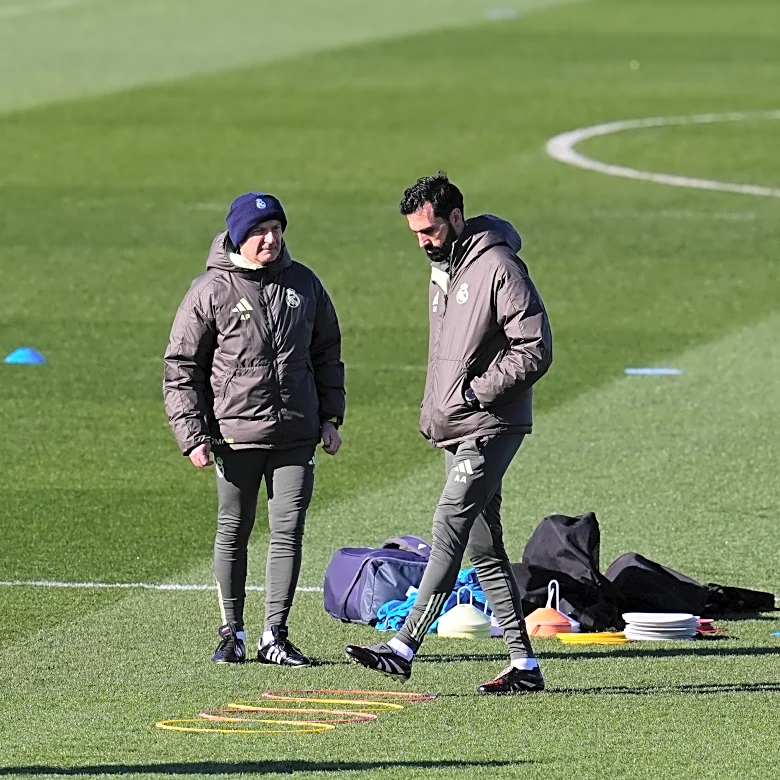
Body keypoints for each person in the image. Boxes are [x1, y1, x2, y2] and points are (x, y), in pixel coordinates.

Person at [345, 173, 552, 694]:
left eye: (431, 229)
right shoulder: (444, 271)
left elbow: (535, 347)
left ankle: (404, 646)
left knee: (448, 526)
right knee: (483, 548)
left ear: (457, 218)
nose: (424, 241)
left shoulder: (499, 267)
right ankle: (524, 666)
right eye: (416, 233)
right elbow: (445, 357)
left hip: (491, 425)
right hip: (456, 428)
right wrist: (434, 411)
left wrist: (475, 395)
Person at [164, 192, 345, 666]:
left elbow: (327, 353)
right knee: (233, 531)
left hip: (297, 433)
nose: (271, 239)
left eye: (277, 229)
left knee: (288, 531)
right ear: (239, 236)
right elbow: (182, 367)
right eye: (260, 232)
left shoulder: (304, 283)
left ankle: (275, 635)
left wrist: (331, 417)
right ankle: (232, 632)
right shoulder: (209, 290)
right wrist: (193, 436)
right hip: (234, 435)